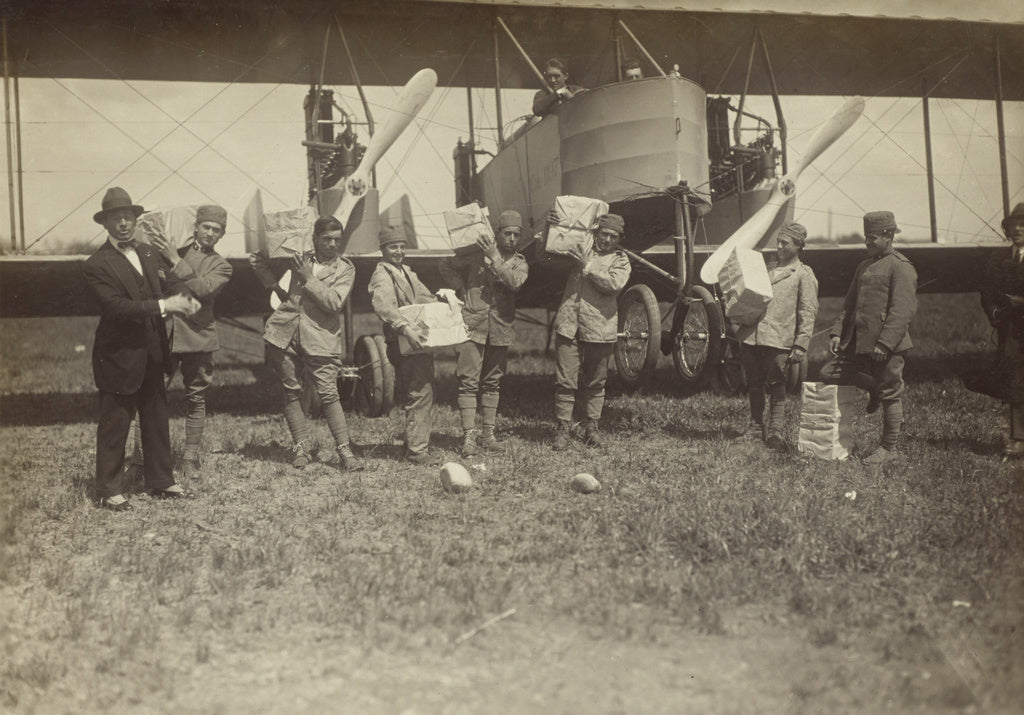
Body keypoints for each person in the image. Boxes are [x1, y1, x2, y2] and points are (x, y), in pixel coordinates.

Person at [82, 187, 199, 511]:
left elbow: (169, 283)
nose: (123, 223)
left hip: (152, 351)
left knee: (156, 417)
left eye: (128, 217)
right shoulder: (97, 264)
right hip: (118, 356)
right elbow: (116, 307)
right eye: (116, 218)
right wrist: (166, 304)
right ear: (105, 224)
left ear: (136, 219)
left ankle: (161, 480)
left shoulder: (148, 253)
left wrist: (184, 296)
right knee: (116, 423)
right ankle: (108, 490)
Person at [250, 216, 363, 472]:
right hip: (285, 334)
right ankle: (300, 447)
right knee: (291, 391)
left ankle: (345, 451)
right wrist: (276, 279)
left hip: (320, 337)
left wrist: (308, 278)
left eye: (337, 240)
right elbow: (257, 259)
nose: (333, 245)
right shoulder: (299, 257)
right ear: (314, 239)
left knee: (329, 394)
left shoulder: (346, 269)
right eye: (326, 239)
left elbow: (335, 302)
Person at [137, 205, 234, 481]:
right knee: (149, 396)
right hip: (166, 334)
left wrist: (172, 260)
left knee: (196, 398)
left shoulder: (221, 266)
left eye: (217, 230)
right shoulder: (174, 251)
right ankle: (140, 459)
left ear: (222, 235)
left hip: (199, 337)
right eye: (206, 227)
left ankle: (190, 457)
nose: (210, 234)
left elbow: (203, 289)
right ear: (196, 227)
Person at [825, 211, 918, 464]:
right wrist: (836, 333)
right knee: (829, 373)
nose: (867, 242)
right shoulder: (863, 266)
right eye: (866, 236)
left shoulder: (901, 266)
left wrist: (885, 344)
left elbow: (903, 311)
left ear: (889, 236)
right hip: (857, 342)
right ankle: (874, 388)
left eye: (873, 237)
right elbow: (849, 304)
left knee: (890, 393)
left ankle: (889, 449)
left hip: (886, 345)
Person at [440, 210, 529, 456]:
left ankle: (488, 434)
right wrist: (461, 288)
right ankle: (469, 436)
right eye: (507, 233)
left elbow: (515, 282)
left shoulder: (520, 262)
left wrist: (494, 257)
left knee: (492, 382)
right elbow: (446, 264)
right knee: (468, 382)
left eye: (516, 234)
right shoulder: (475, 256)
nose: (511, 238)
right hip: (473, 324)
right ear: (496, 233)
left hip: (500, 327)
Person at [735, 223, 819, 450]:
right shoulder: (766, 270)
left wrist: (801, 344)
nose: (779, 246)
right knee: (754, 384)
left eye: (785, 243)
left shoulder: (803, 275)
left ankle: (775, 432)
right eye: (778, 241)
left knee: (777, 385)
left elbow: (807, 311)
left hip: (779, 339)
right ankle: (754, 428)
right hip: (752, 336)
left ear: (799, 246)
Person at [552, 213, 631, 449]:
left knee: (596, 381)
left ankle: (591, 428)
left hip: (600, 326)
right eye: (604, 234)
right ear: (596, 233)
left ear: (619, 239)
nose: (607, 239)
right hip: (569, 324)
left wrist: (588, 266)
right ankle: (563, 428)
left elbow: (613, 284)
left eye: (613, 236)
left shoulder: (621, 260)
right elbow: (547, 257)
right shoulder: (579, 250)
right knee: (565, 381)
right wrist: (552, 227)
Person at [368, 224, 437, 464]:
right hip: (402, 341)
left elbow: (423, 295)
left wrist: (442, 300)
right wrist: (405, 327)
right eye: (392, 247)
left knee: (419, 390)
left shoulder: (407, 271)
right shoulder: (382, 275)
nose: (398, 251)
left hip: (413, 340)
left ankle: (414, 443)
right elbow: (384, 306)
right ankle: (417, 451)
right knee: (419, 391)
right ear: (382, 249)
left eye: (401, 246)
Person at [981, 202, 1024, 458]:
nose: (1017, 229)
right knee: (1015, 381)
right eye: (1013, 225)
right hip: (1010, 331)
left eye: (1023, 224)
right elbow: (987, 292)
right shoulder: (999, 259)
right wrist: (995, 313)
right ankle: (1018, 438)